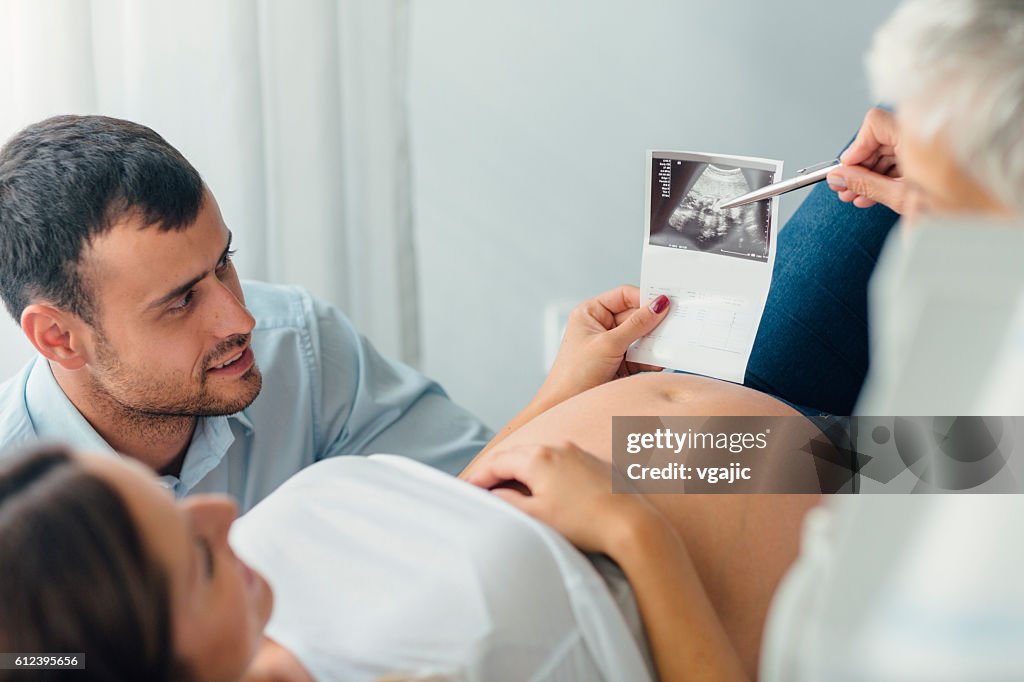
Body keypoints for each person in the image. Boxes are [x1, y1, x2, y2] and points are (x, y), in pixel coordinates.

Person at [0, 115, 499, 505]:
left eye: (223, 263)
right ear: (58, 338)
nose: (242, 320)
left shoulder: (301, 347)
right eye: (180, 301)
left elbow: (489, 495)